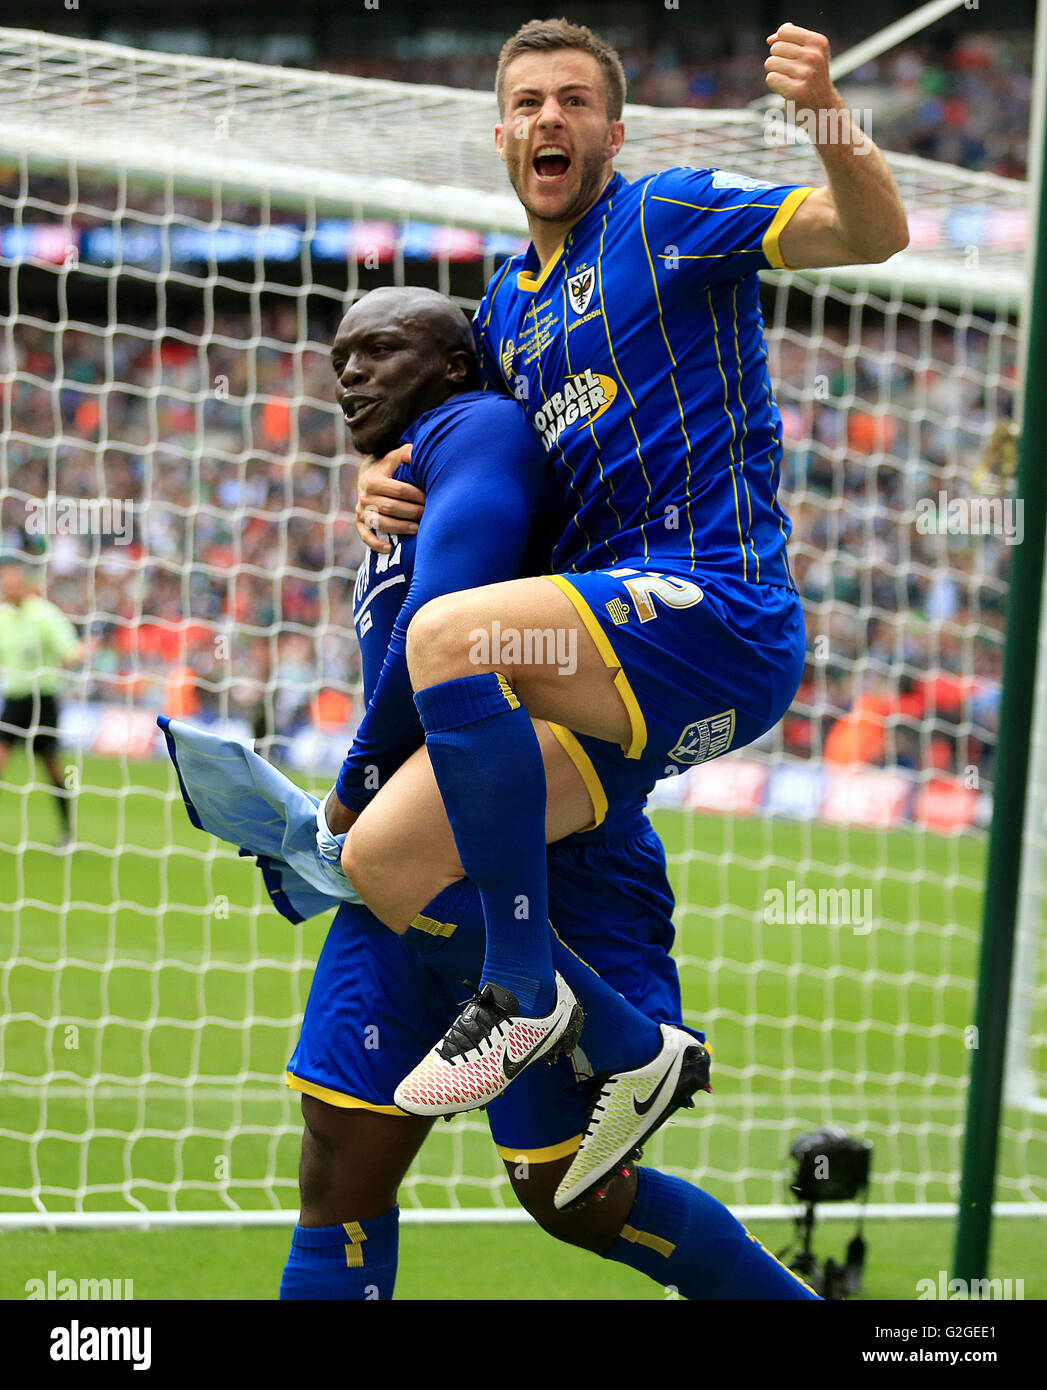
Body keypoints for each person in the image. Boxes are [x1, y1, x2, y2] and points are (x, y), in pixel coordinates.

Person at [162, 286, 816, 1298]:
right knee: (340, 1165)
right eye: (340, 356)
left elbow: (446, 625)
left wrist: (344, 806)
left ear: (457, 364)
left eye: (379, 350)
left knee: (575, 1199)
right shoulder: (416, 469)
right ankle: (594, 1026)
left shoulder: (484, 431)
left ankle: (617, 1038)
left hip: (544, 869)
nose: (349, 373)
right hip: (420, 869)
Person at [339, 19, 907, 1122]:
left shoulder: (667, 215)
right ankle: (633, 1043)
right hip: (604, 669)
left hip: (718, 611)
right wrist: (375, 478)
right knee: (385, 859)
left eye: (575, 101)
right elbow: (465, 448)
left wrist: (827, 112)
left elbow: (877, 233)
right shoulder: (503, 312)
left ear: (613, 128)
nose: (551, 117)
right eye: (529, 102)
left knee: (445, 634)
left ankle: (518, 987)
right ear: (501, 133)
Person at [0, 560, 84, 845]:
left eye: (11, 583)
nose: (6, 589)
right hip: (14, 700)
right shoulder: (3, 617)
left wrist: (76, 655)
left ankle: (67, 832)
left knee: (51, 768)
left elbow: (70, 650)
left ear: (23, 584)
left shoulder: (45, 615)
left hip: (43, 701)